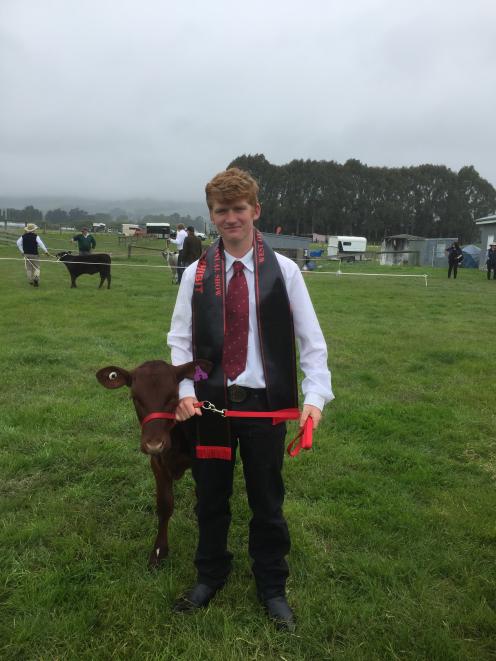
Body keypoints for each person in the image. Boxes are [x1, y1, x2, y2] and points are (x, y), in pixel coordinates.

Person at [167, 168, 333, 631]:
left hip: (265, 404)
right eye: (222, 211)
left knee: (267, 501)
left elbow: (312, 342)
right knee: (210, 497)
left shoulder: (285, 271)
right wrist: (185, 390)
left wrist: (315, 397)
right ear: (212, 216)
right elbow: (182, 342)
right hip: (211, 403)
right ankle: (210, 574)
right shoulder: (197, 275)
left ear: (255, 211)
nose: (231, 218)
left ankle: (272, 586)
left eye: (239, 209)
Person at [16, 223, 50, 287]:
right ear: (33, 230)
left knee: (28, 268)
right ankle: (36, 279)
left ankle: (30, 280)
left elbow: (18, 243)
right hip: (35, 254)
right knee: (36, 267)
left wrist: (22, 251)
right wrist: (46, 251)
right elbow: (41, 244)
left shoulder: (23, 236)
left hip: (26, 254)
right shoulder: (36, 236)